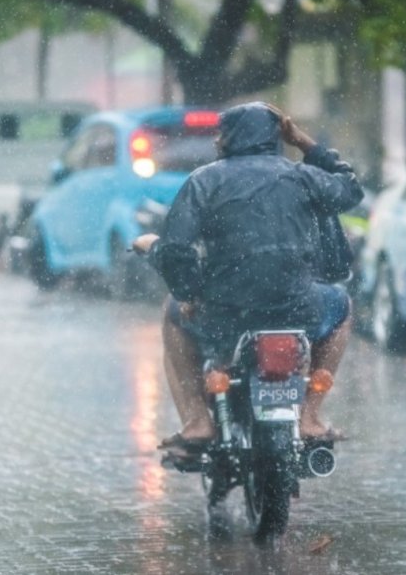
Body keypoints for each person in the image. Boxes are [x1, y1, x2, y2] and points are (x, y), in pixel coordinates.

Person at [132, 101, 364, 457]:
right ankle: (311, 416)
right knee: (343, 307)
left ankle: (197, 422)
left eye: (219, 135)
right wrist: (305, 143)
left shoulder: (204, 180)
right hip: (299, 307)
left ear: (229, 140)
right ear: (275, 137)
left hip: (225, 312)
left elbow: (177, 251)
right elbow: (350, 191)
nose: (214, 143)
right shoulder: (303, 176)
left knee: (172, 314)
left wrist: (188, 293)